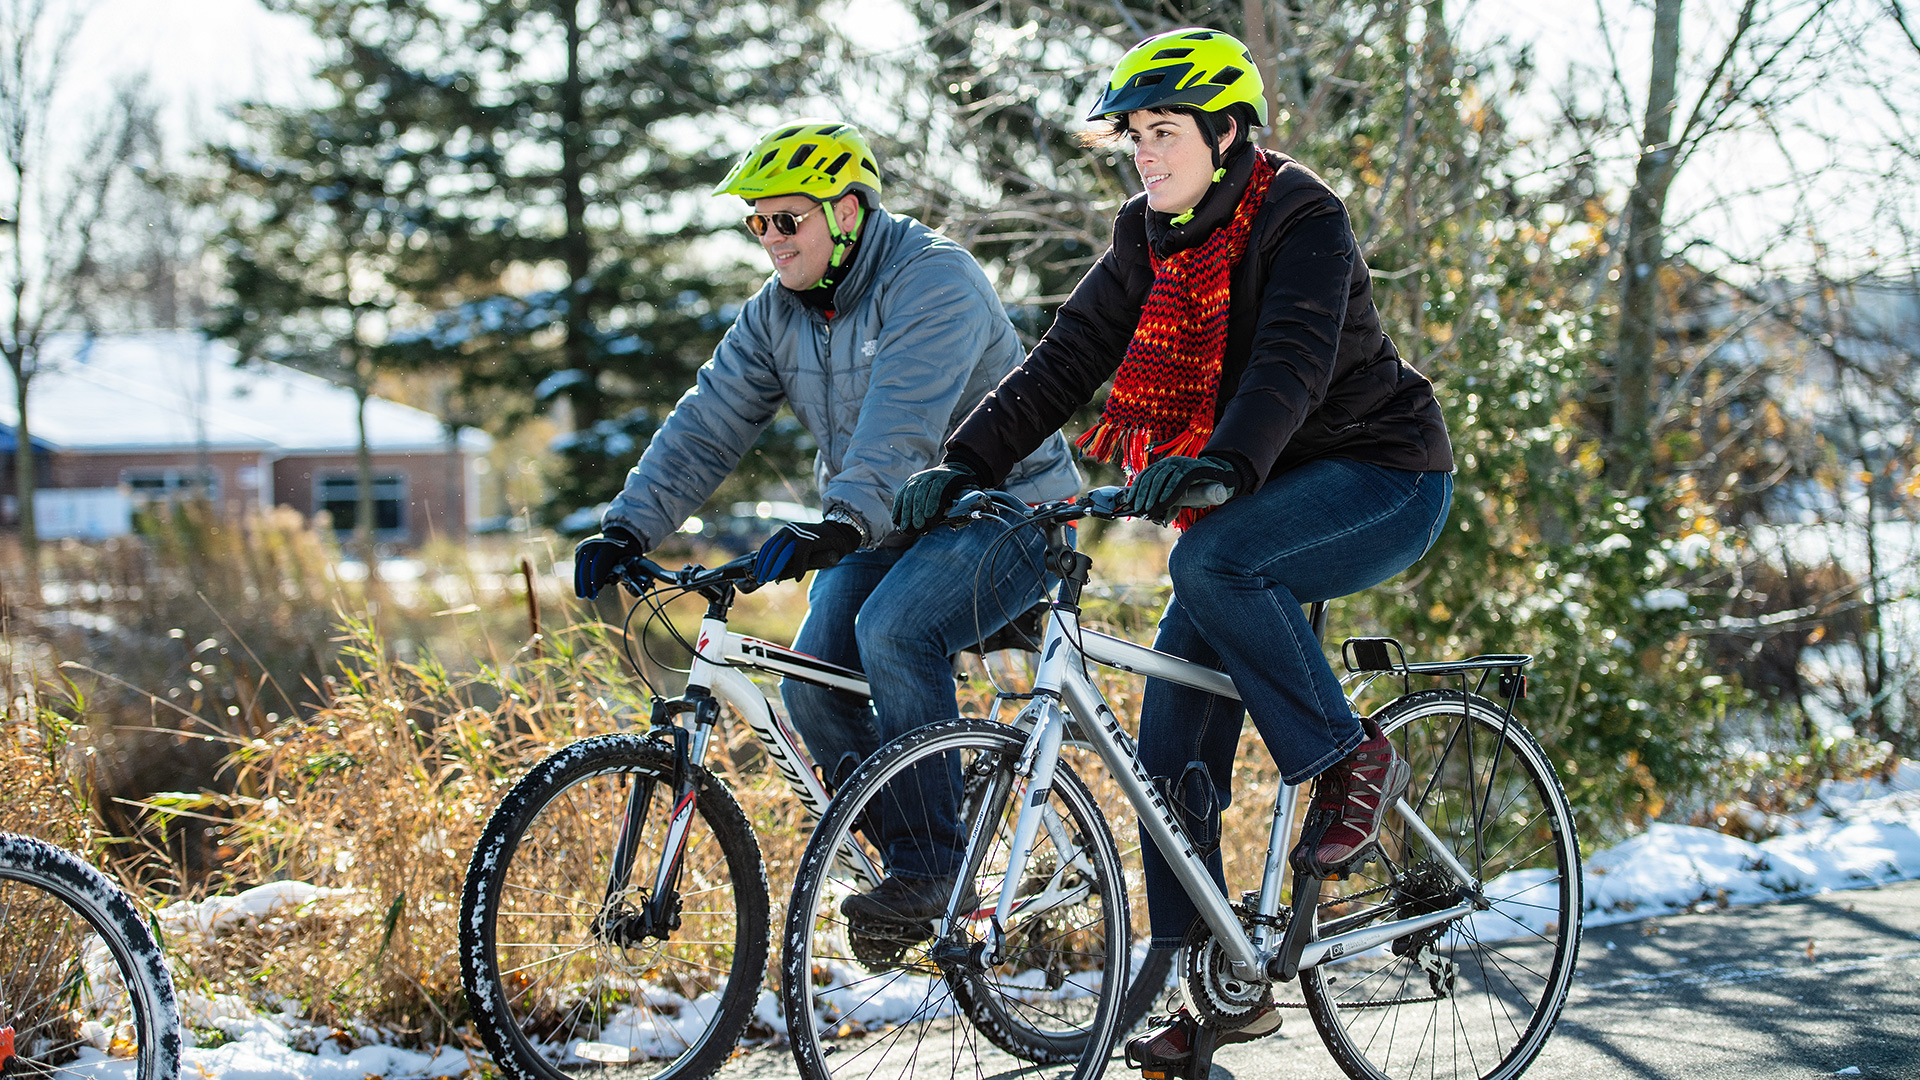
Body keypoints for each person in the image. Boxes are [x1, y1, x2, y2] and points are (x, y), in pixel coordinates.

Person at [893, 29, 1455, 1066]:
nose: (1145, 154)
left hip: (1381, 477)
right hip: (1257, 494)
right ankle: (1220, 984)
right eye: (1134, 136)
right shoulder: (1144, 236)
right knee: (1166, 754)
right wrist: (965, 464)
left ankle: (1350, 757)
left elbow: (1290, 361)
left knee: (1210, 560)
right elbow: (1061, 364)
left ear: (1228, 132)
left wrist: (1228, 467)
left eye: (1164, 132)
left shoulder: (1302, 217)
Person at [573, 118, 1081, 927]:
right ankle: (920, 864)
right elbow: (709, 424)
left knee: (894, 630)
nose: (770, 239)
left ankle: (934, 873)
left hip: (1008, 514)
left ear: (847, 212)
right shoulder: (776, 314)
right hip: (884, 526)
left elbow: (902, 422)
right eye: (757, 223)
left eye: (787, 219)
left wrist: (840, 520)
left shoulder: (933, 279)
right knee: (810, 683)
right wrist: (628, 527)